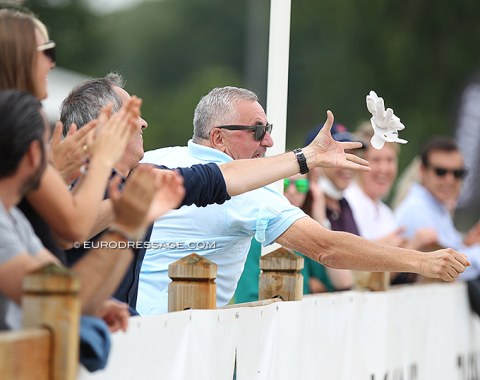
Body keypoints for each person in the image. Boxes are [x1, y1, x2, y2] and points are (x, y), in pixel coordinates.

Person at [137, 86, 469, 315]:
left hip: (123, 325)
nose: (268, 140)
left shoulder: (157, 158)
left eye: (267, 128)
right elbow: (326, 248)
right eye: (256, 131)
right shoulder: (244, 193)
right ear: (218, 138)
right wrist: (422, 262)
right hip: (176, 340)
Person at [59, 73, 370, 309]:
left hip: (127, 337)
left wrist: (307, 158)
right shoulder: (65, 181)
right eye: (131, 114)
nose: (143, 122)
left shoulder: (144, 173)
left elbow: (220, 179)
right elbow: (71, 228)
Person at [0, 89, 184, 330]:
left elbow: (71, 292)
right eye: (47, 145)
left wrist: (93, 305)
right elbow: (61, 296)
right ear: (34, 154)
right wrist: (102, 162)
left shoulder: (12, 217)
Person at [345, 123, 438, 284]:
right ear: (359, 162)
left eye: (390, 160)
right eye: (376, 160)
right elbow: (358, 273)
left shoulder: (386, 213)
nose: (384, 169)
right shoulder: (347, 202)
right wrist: (412, 247)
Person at [395, 137, 480, 280]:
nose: (450, 180)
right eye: (441, 172)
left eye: (458, 173)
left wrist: (467, 244)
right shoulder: (416, 209)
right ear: (422, 170)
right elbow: (448, 269)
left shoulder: (438, 206)